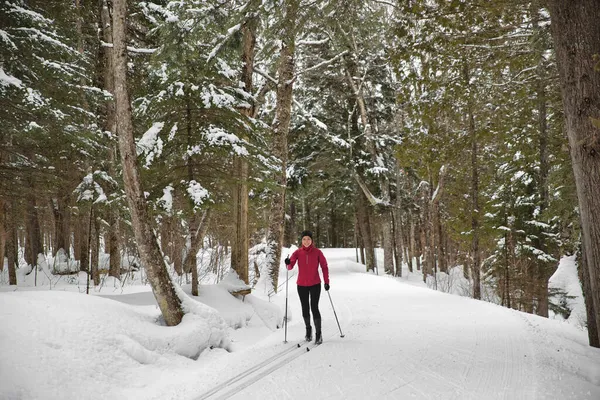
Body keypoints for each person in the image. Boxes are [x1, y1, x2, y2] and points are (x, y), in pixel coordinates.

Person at [285, 230, 329, 345]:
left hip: (315, 284)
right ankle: (308, 330)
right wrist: (288, 262)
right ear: (301, 240)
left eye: (308, 239)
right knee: (305, 308)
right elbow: (290, 267)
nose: (306, 241)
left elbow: (324, 267)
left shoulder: (318, 252)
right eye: (304, 239)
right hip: (301, 285)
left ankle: (318, 334)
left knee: (314, 307)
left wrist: (326, 282)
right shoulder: (297, 253)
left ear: (312, 240)